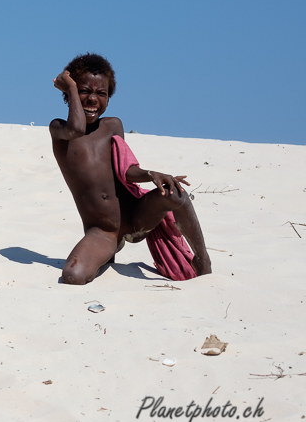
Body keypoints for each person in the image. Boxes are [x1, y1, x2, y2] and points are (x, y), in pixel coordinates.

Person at [49, 53, 211, 284]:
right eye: (84, 91)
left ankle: (202, 261)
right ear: (70, 93)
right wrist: (71, 88)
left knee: (175, 194)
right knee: (73, 276)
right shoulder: (59, 130)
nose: (93, 99)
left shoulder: (112, 125)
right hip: (103, 231)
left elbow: (125, 170)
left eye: (101, 93)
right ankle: (106, 254)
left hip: (136, 215)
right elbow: (76, 128)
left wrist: (151, 175)